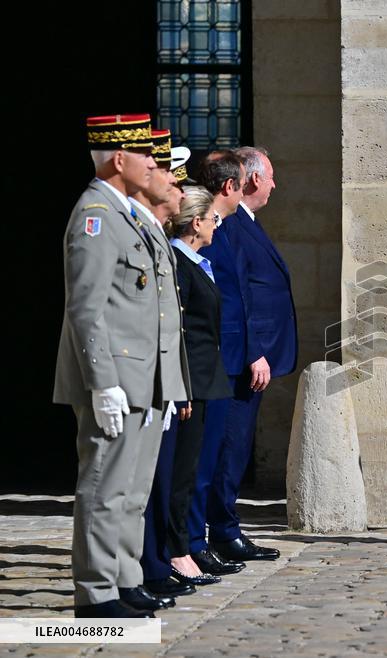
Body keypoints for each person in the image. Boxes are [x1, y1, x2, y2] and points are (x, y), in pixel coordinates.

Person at [53, 114, 167, 618]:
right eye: (145, 154)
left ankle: (125, 578)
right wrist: (102, 384)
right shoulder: (95, 214)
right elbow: (87, 307)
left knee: (131, 489)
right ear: (120, 159)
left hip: (140, 377)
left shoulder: (129, 215)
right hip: (116, 378)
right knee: (103, 486)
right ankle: (97, 593)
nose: (153, 163)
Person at [134, 131, 223, 600]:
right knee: (151, 483)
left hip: (183, 379)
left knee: (178, 475)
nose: (171, 185)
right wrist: (177, 384)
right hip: (155, 381)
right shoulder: (115, 223)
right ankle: (144, 567)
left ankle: (156, 560)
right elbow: (172, 326)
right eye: (166, 176)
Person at [197, 146, 297, 563]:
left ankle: (222, 528)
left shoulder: (245, 222)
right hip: (242, 356)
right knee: (227, 447)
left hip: (253, 356)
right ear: (252, 180)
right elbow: (237, 296)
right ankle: (219, 530)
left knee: (233, 446)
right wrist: (255, 351)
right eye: (271, 176)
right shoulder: (231, 225)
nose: (274, 184)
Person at [183, 151, 251, 576]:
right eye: (243, 183)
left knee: (208, 459)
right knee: (196, 463)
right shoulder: (208, 231)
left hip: (220, 360)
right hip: (208, 360)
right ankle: (187, 543)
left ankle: (195, 541)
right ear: (229, 186)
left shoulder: (225, 229)